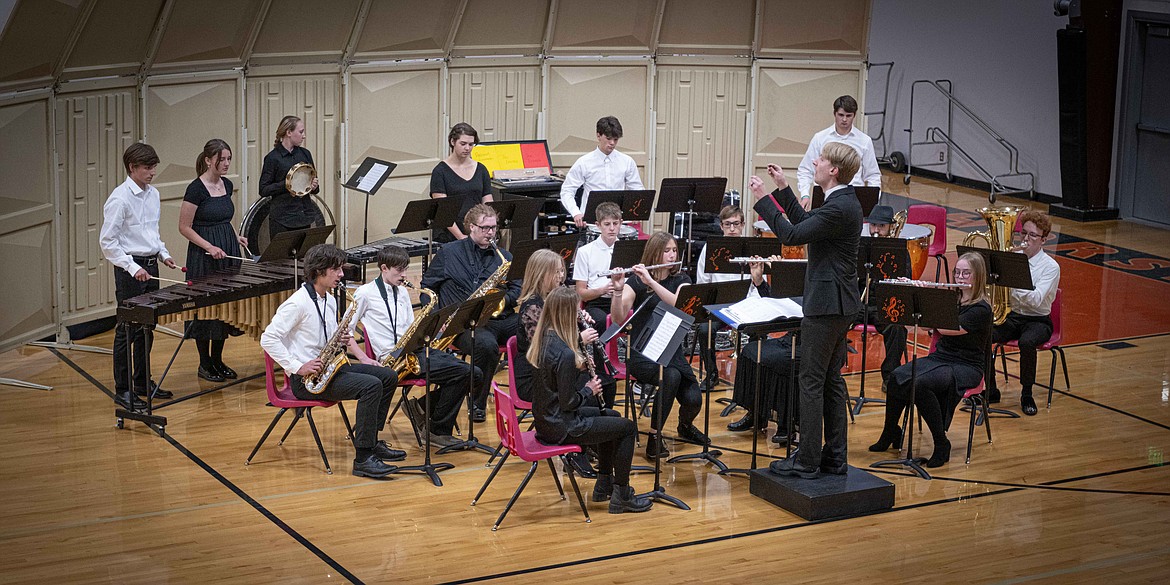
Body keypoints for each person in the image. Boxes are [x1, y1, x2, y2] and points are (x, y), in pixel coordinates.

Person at [749, 141, 864, 479]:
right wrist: (783, 189)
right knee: (829, 380)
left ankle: (808, 459)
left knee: (811, 380)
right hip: (839, 303)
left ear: (833, 170)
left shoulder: (839, 206)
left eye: (822, 159)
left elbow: (792, 234)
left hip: (828, 305)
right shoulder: (840, 202)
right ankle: (834, 457)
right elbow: (806, 223)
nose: (816, 161)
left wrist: (763, 202)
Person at [260, 244, 403, 478]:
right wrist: (297, 366)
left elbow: (324, 337)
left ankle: (372, 439)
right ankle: (363, 458)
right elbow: (268, 338)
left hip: (331, 369)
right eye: (336, 270)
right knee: (371, 386)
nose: (342, 275)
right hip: (308, 381)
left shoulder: (329, 299)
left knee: (388, 376)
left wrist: (342, 340)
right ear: (319, 271)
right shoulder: (298, 303)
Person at [529, 286, 653, 514]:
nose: (579, 313)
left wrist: (579, 368)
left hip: (547, 421)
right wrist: (589, 388)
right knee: (626, 428)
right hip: (564, 426)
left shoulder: (545, 340)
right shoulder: (565, 353)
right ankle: (622, 494)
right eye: (576, 310)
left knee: (610, 416)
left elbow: (556, 387)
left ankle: (604, 483)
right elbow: (570, 403)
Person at [345, 245, 480, 448]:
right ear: (383, 268)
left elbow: (410, 328)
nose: (404, 275)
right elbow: (346, 330)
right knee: (465, 372)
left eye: (405, 269)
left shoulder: (402, 292)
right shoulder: (365, 293)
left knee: (472, 373)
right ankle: (436, 429)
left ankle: (422, 410)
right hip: (392, 359)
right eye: (399, 270)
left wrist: (434, 329)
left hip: (414, 353)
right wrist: (363, 358)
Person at [868, 252, 992, 467]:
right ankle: (891, 432)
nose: (960, 277)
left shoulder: (981, 309)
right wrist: (915, 295)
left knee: (919, 383)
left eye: (966, 273)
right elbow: (926, 326)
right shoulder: (952, 299)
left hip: (966, 365)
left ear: (978, 276)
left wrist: (924, 295)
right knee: (897, 376)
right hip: (941, 357)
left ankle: (941, 443)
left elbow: (949, 328)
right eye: (958, 272)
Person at [421, 204, 521, 423]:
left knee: (536, 330)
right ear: (470, 228)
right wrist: (437, 320)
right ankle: (477, 402)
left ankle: (526, 393)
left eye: (494, 228)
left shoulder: (504, 256)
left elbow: (517, 288)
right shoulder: (449, 253)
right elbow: (427, 288)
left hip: (499, 318)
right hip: (464, 323)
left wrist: (504, 300)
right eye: (485, 228)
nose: (491, 233)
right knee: (486, 347)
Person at [610, 231, 704, 459]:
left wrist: (651, 281)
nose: (672, 255)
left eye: (674, 250)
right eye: (667, 251)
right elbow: (618, 318)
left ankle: (684, 425)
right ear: (655, 253)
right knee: (670, 376)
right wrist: (618, 289)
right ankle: (654, 436)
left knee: (694, 399)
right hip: (643, 352)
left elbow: (679, 305)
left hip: (671, 351)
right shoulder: (635, 281)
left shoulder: (682, 279)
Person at [100, 143, 177, 408]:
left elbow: (151, 233)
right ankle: (123, 389)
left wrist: (163, 253)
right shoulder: (119, 199)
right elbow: (108, 243)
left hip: (151, 267)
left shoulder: (153, 194)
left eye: (154, 166)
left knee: (148, 327)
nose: (152, 172)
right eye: (147, 167)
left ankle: (142, 381)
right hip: (129, 271)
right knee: (127, 330)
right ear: (132, 168)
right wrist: (133, 267)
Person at [178, 139, 249, 383]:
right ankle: (204, 363)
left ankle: (218, 359)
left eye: (229, 158)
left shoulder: (227, 185)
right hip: (204, 254)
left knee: (224, 307)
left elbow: (223, 218)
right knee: (205, 308)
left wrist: (234, 237)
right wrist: (209, 246)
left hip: (227, 249)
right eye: (222, 159)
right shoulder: (195, 189)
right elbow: (184, 227)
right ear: (209, 160)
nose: (227, 163)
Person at [985, 210, 1061, 416]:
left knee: (1027, 343)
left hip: (1039, 321)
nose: (1026, 239)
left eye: (1032, 236)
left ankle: (1026, 394)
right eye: (1023, 234)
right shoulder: (1012, 258)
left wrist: (1011, 282)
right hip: (1013, 316)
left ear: (1043, 240)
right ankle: (991, 391)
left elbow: (1036, 299)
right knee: (984, 336)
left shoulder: (1051, 267)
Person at [726, 257, 801, 437]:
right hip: (794, 337)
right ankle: (757, 413)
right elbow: (781, 305)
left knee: (775, 360)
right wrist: (759, 281)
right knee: (751, 350)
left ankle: (787, 423)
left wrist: (783, 273)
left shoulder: (815, 273)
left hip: (814, 343)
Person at [694, 205, 759, 389]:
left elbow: (756, 285)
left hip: (745, 306)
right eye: (728, 224)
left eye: (736, 224)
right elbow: (702, 283)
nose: (732, 229)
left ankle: (750, 376)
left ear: (743, 225)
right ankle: (712, 374)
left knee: (759, 330)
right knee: (705, 330)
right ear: (721, 226)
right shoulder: (710, 249)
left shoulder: (751, 249)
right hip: (718, 308)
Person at [795, 95, 882, 211]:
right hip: (824, 195)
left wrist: (872, 202)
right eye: (841, 115)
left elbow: (873, 175)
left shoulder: (864, 141)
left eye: (848, 116)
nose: (844, 119)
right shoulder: (820, 138)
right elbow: (805, 169)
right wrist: (805, 195)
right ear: (834, 114)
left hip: (853, 194)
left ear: (854, 115)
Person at [559, 116, 644, 228]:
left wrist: (634, 213)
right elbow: (567, 190)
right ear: (598, 135)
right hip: (592, 223)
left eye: (616, 139)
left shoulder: (627, 161)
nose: (612, 143)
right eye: (608, 138)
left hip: (617, 223)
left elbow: (638, 191)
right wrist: (576, 213)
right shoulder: (584, 162)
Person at [859, 204, 910, 391]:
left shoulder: (899, 251)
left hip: (884, 305)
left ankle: (890, 376)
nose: (876, 230)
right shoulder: (861, 246)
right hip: (860, 303)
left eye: (881, 226)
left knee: (897, 328)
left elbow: (907, 280)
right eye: (873, 225)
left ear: (890, 227)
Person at [258, 115, 322, 240]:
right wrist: (288, 184)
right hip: (282, 219)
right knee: (282, 259)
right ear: (288, 132)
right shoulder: (273, 158)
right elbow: (264, 189)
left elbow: (314, 187)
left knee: (304, 257)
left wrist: (314, 185)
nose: (304, 136)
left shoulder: (305, 154)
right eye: (301, 132)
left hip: (303, 215)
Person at [430, 122, 493, 243]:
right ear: (453, 142)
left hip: (477, 230)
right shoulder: (440, 171)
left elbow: (488, 205)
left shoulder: (481, 169)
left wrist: (486, 230)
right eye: (463, 144)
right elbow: (443, 211)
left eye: (471, 144)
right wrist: (461, 237)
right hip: (450, 233)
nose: (467, 148)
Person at [573, 201, 624, 338]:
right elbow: (580, 292)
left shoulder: (628, 249)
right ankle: (601, 358)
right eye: (607, 224)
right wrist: (603, 290)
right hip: (597, 302)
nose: (612, 228)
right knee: (600, 321)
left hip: (624, 299)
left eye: (615, 223)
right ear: (598, 225)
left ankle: (634, 358)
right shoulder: (585, 252)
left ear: (621, 223)